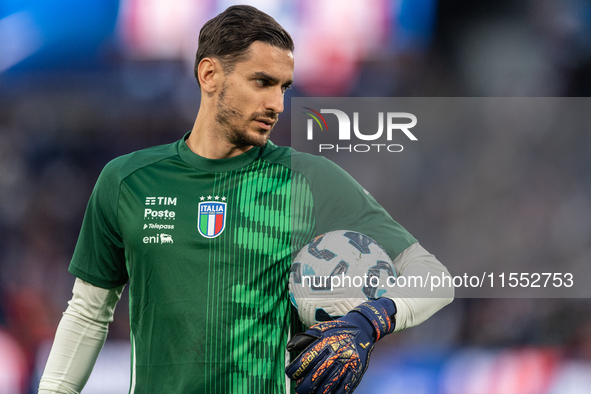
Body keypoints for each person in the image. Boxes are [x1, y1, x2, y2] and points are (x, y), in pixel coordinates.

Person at [38, 5, 453, 394]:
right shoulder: (127, 180)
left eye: (284, 87)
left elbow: (432, 277)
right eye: (261, 83)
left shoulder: (310, 180)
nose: (276, 104)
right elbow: (88, 313)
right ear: (209, 75)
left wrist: (371, 319)